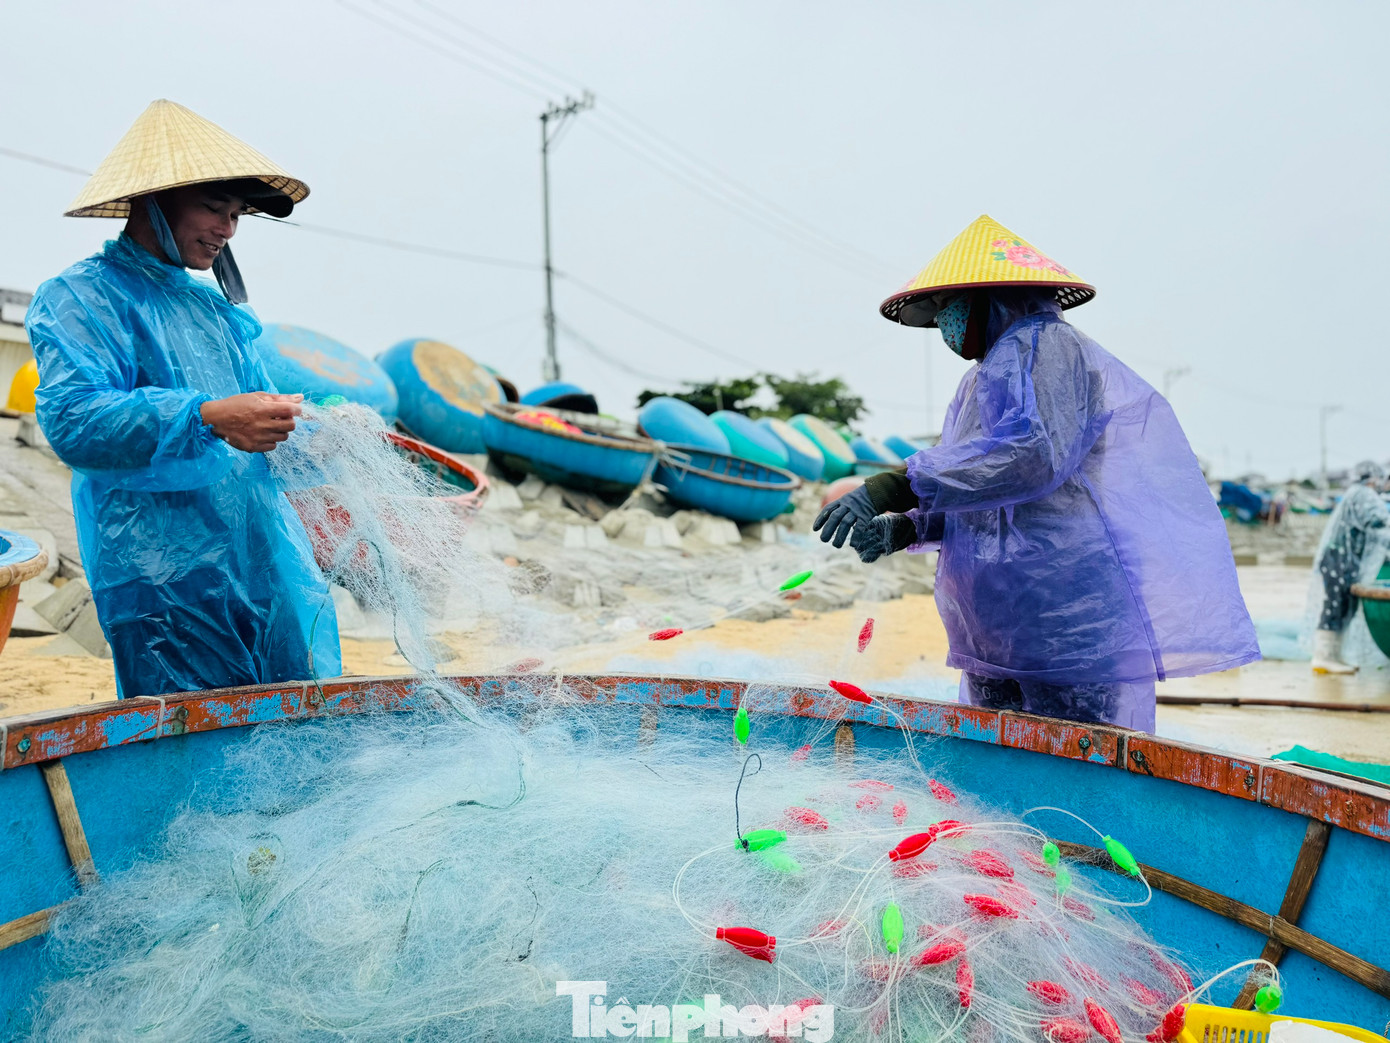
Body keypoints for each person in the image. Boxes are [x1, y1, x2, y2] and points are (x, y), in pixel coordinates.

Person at [814, 215, 1258, 731]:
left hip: (1064, 615)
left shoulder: (1049, 348)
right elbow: (975, 492)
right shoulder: (976, 383)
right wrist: (909, 527)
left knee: (1076, 759)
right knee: (996, 767)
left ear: (988, 297)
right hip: (992, 624)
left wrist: (895, 486)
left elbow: (1031, 459)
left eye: (948, 307)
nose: (944, 324)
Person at [25, 99, 341, 698]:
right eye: (214, 209)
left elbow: (256, 423)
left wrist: (306, 430)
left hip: (259, 561)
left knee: (289, 727)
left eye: (237, 215)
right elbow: (74, 420)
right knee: (190, 733)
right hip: (159, 575)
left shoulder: (215, 312)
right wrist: (205, 416)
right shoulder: (80, 297)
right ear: (153, 201)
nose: (228, 229)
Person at [1307, 462, 1390, 674]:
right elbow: (1379, 525)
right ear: (1373, 478)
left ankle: (1334, 656)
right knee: (1336, 606)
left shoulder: (1356, 493)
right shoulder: (1365, 495)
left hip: (1342, 559)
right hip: (1339, 559)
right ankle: (1323, 657)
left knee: (1344, 607)